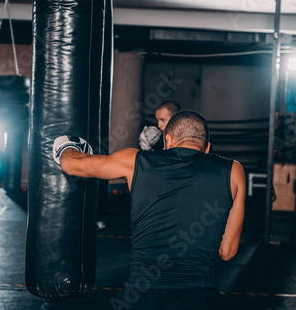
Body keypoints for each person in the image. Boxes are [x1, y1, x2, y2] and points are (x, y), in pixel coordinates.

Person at [53, 110, 246, 310]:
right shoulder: (233, 171)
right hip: (200, 296)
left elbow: (71, 164)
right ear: (206, 148)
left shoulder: (135, 161)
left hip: (141, 294)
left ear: (168, 140)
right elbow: (227, 252)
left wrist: (67, 145)